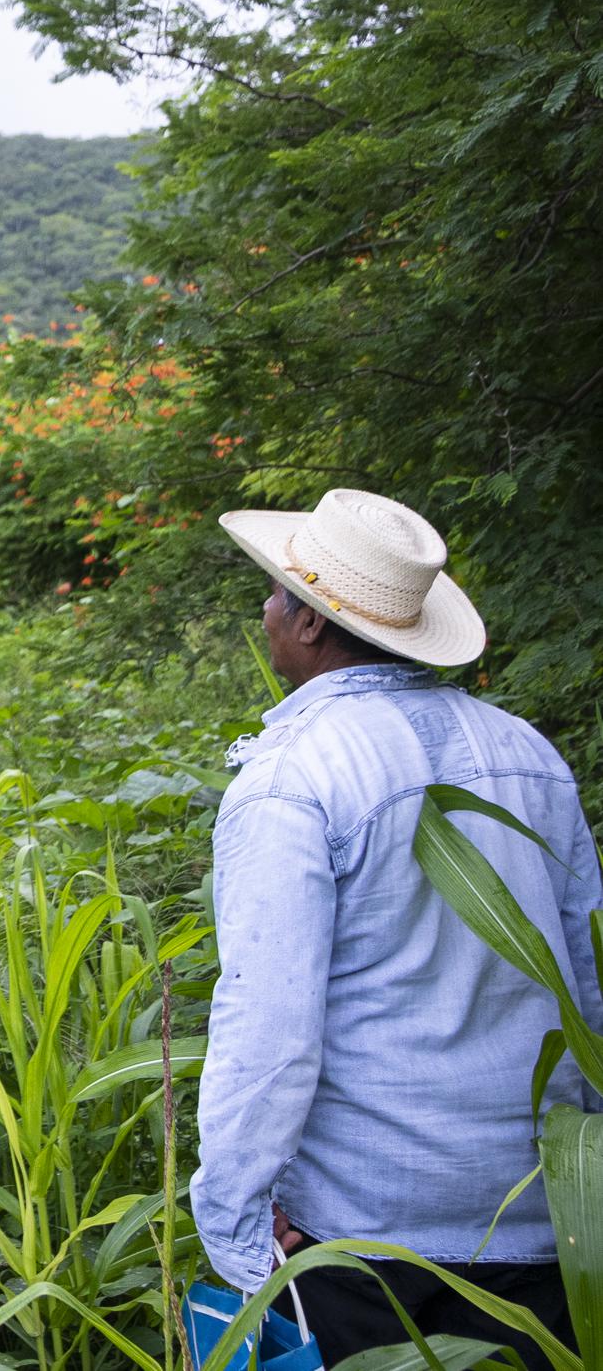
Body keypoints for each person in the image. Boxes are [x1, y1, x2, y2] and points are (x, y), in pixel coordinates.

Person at [191, 488, 599, 1366]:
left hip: (369, 1245)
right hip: (551, 1218)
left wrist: (234, 1231)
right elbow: (588, 982)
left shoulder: (289, 779)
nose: (264, 610)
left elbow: (269, 1028)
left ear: (307, 626)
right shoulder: (529, 754)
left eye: (273, 593)